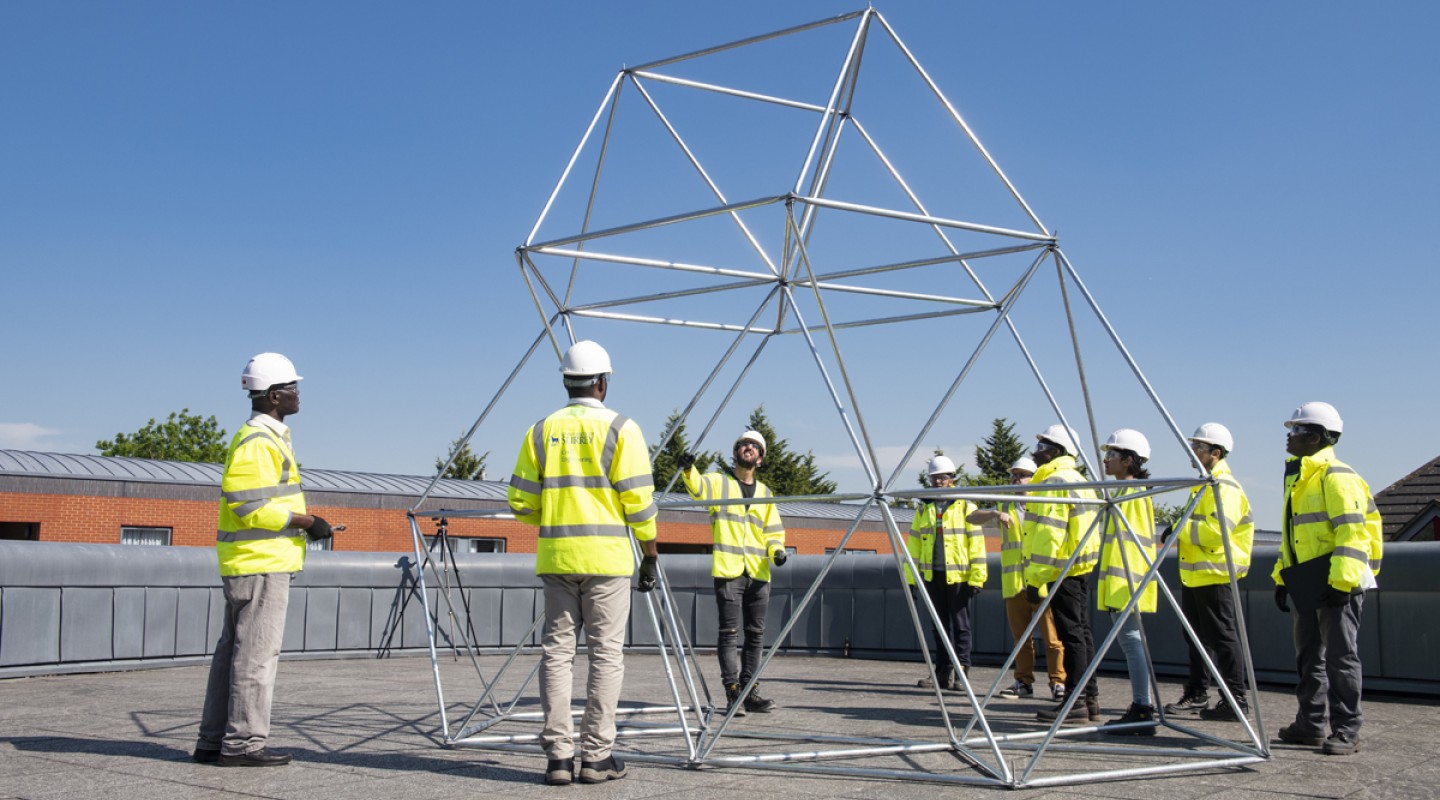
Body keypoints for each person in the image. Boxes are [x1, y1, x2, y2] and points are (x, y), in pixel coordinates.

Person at [507, 340, 660, 785]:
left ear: (565, 380)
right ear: (602, 382)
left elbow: (519, 501)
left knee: (556, 655)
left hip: (556, 556)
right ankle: (596, 757)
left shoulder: (540, 430)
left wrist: (553, 515)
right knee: (605, 656)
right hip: (608, 560)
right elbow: (640, 503)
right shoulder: (621, 428)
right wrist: (650, 554)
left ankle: (558, 757)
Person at [194, 353, 337, 767]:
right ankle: (242, 745)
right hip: (260, 563)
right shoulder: (259, 441)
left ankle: (213, 741)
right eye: (293, 388)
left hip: (250, 561)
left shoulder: (266, 438)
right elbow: (247, 507)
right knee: (256, 656)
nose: (298, 395)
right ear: (275, 395)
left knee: (232, 656)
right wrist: (307, 521)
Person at [1272, 402, 1382, 756]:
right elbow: (1293, 536)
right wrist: (1281, 578)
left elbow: (1353, 535)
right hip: (1309, 581)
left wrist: (1341, 584)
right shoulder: (1301, 477)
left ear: (1315, 437)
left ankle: (1347, 729)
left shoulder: (1337, 477)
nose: (1288, 437)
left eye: (1295, 431)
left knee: (1340, 657)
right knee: (1309, 657)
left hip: (1337, 583)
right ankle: (1311, 725)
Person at [680, 431, 787, 716]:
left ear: (760, 458)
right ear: (736, 452)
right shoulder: (719, 482)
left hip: (759, 573)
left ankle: (750, 692)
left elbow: (773, 530)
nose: (748, 447)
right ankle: (732, 693)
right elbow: (697, 488)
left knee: (756, 635)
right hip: (729, 571)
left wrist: (777, 550)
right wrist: (688, 469)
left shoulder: (765, 493)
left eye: (754, 446)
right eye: (743, 444)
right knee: (729, 634)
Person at [1162, 423, 1255, 724]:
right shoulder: (1206, 484)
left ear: (1216, 453)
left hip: (1215, 573)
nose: (1192, 452)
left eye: (1198, 447)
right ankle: (1198, 692)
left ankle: (1235, 700)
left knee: (1223, 638)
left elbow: (1217, 533)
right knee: (1197, 638)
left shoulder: (1224, 487)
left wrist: (1179, 529)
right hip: (1198, 574)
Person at [969, 457, 1066, 701]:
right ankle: (1023, 681)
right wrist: (994, 513)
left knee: (1053, 638)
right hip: (1015, 584)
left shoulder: (1044, 503)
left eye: (1022, 475)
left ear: (1035, 478)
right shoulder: (1007, 505)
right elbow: (971, 517)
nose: (1016, 479)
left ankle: (1059, 681)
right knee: (1021, 638)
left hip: (1041, 581)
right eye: (1014, 475)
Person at [1025, 424, 1101, 725]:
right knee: (1081, 633)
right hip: (1078, 567)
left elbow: (1049, 535)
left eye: (1043, 446)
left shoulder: (1055, 480)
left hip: (1062, 570)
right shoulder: (1077, 478)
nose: (1036, 452)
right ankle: (1089, 699)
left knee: (1071, 636)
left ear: (1056, 451)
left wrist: (1035, 579)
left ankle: (1076, 701)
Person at [1095, 430, 1159, 735]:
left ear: (1129, 460)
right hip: (1123, 582)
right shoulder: (1125, 490)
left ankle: (1142, 707)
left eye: (1112, 455)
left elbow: (1132, 544)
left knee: (1132, 643)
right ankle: (1141, 705)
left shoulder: (1131, 493)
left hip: (1127, 583)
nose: (1106, 459)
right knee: (1132, 642)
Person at [905, 456, 987, 691]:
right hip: (933, 576)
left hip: (959, 576)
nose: (939, 481)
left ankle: (962, 673)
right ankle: (942, 673)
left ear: (952, 479)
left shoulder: (965, 505)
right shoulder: (925, 507)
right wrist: (912, 577)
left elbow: (976, 544)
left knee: (961, 626)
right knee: (939, 625)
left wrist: (977, 576)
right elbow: (914, 545)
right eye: (935, 477)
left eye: (943, 477)